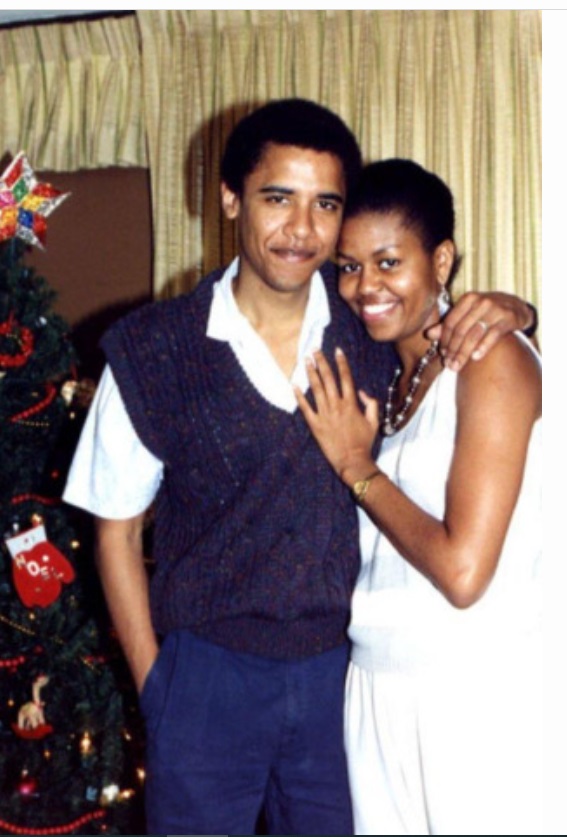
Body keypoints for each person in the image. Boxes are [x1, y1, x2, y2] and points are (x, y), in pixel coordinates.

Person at [63, 102, 536, 836]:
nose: (301, 229)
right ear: (230, 199)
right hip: (206, 677)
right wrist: (160, 687)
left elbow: (465, 350)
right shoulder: (153, 348)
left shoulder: (370, 325)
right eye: (277, 198)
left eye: (325, 205)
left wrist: (516, 309)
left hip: (337, 679)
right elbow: (115, 532)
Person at [296, 158, 542, 836]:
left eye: (388, 262)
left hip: (473, 696)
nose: (364, 287)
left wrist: (355, 466)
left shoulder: (491, 359)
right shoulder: (383, 372)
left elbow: (463, 573)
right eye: (349, 266)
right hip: (375, 686)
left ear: (441, 260)